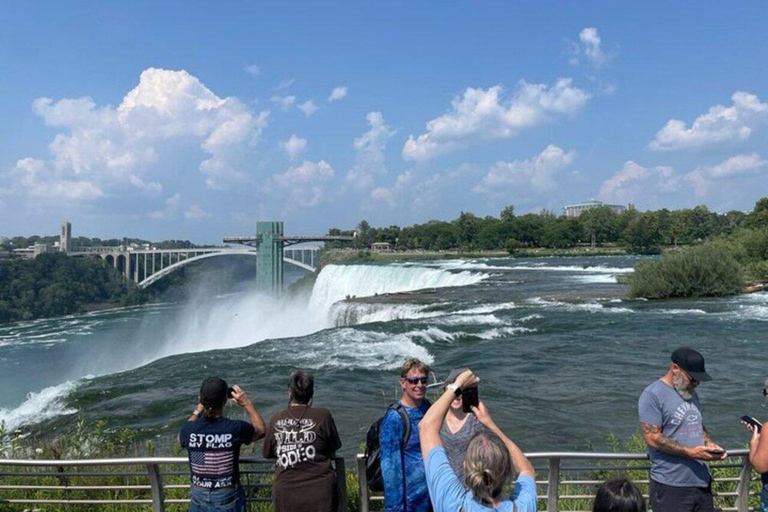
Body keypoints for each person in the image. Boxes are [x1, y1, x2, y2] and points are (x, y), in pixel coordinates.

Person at [419, 369, 537, 511]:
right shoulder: (523, 507)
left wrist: (457, 385)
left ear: (466, 466)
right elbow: (526, 469)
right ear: (506, 470)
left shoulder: (452, 503)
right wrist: (490, 423)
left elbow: (426, 427)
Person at [638, 347, 727, 512]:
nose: (696, 383)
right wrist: (691, 453)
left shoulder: (691, 394)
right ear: (675, 368)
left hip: (701, 481)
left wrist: (709, 443)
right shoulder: (653, 395)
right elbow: (652, 437)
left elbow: (698, 424)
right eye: (692, 378)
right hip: (671, 484)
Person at [180, 377, 266, 512]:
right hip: (227, 495)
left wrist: (198, 409)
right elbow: (260, 431)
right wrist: (247, 403)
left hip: (198, 494)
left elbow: (181, 438)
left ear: (200, 399)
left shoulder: (189, 430)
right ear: (225, 400)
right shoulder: (235, 428)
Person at [262, 370, 342, 512]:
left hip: (286, 492)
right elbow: (332, 450)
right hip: (321, 491)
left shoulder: (276, 418)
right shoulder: (323, 415)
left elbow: (268, 453)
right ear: (311, 394)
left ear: (290, 393)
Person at [380, 357, 433, 512]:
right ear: (403, 383)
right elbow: (391, 471)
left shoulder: (427, 407)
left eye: (423, 380)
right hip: (409, 504)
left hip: (431, 498)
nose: (419, 385)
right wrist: (395, 508)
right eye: (414, 381)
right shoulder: (394, 418)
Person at [439, 368, 486, 484]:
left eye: (462, 391)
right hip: (444, 485)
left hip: (470, 486)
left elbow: (486, 451)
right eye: (455, 390)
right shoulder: (438, 419)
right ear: (445, 391)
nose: (458, 395)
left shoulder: (477, 419)